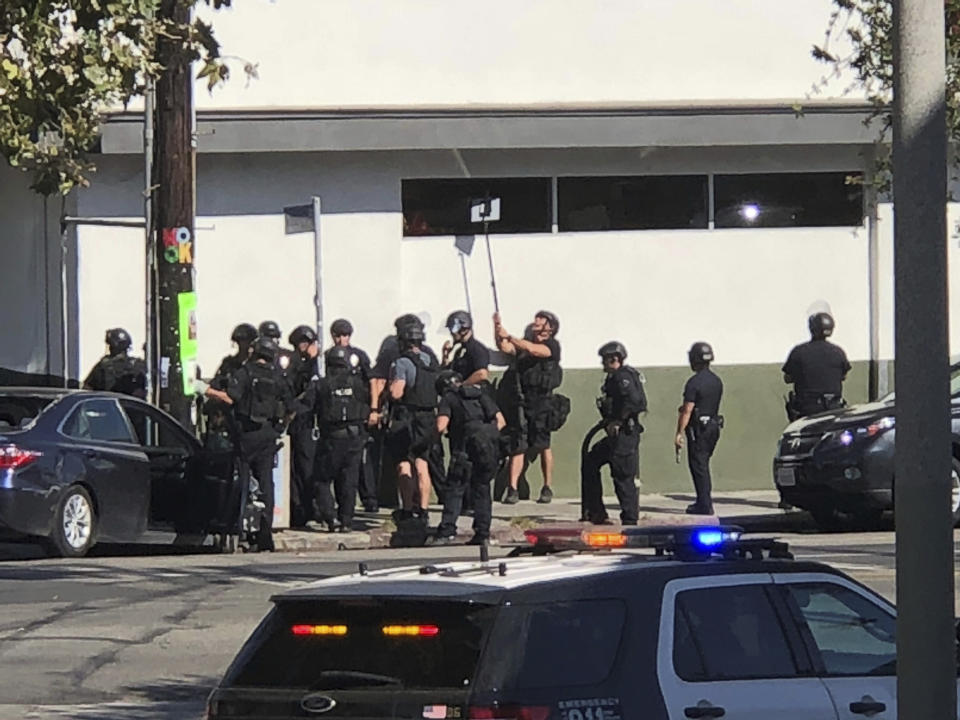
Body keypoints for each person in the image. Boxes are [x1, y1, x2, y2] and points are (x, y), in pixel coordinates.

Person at [199, 336, 294, 551]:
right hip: (268, 436)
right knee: (267, 485)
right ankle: (265, 534)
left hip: (245, 436)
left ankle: (238, 530)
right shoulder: (278, 377)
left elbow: (232, 398)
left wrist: (205, 390)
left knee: (241, 483)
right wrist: (280, 428)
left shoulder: (245, 372)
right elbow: (291, 407)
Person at [493, 310, 563, 504]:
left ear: (550, 326)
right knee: (518, 445)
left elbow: (534, 350)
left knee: (543, 445)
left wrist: (509, 336)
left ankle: (547, 486)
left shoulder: (552, 346)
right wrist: (497, 328)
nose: (536, 321)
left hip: (542, 403)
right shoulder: (523, 345)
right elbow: (505, 347)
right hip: (522, 402)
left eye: (541, 319)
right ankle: (512, 489)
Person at [432, 370, 505, 545]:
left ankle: (446, 532)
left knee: (455, 490)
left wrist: (431, 439)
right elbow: (501, 422)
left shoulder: (449, 398)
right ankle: (483, 533)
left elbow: (441, 426)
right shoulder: (480, 394)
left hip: (463, 449)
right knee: (482, 490)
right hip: (486, 450)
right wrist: (485, 437)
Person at [305, 346, 371, 532]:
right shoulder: (357, 383)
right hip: (355, 437)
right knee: (349, 481)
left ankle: (331, 518)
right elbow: (367, 401)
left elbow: (307, 406)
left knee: (321, 479)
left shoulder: (322, 384)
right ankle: (347, 521)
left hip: (332, 438)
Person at [581, 341, 647, 525]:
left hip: (624, 434)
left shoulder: (623, 377)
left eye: (605, 359)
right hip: (615, 435)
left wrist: (619, 421)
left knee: (623, 476)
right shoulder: (616, 377)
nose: (602, 363)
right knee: (591, 460)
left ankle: (630, 519)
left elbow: (635, 402)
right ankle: (596, 511)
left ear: (614, 359)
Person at [386, 320, 439, 526]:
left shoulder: (402, 363)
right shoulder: (429, 361)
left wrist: (390, 390)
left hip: (407, 417)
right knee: (422, 463)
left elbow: (397, 392)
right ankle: (424, 510)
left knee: (404, 463)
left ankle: (407, 508)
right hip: (428, 418)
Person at [328, 318, 377, 512]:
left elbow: (372, 381)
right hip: (336, 417)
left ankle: (369, 499)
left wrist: (373, 409)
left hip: (358, 414)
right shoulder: (329, 356)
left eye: (345, 335)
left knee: (362, 460)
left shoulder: (359, 356)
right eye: (339, 335)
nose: (342, 340)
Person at [675, 342, 723, 515]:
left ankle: (704, 504)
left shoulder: (693, 383)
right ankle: (704, 501)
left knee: (699, 466)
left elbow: (687, 410)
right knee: (704, 464)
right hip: (714, 427)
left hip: (699, 431)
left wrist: (679, 433)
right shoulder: (716, 381)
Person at [783, 312, 851, 420]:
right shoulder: (838, 352)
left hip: (807, 410)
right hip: (834, 409)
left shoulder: (799, 352)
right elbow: (844, 376)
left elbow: (787, 378)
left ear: (812, 328)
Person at [286, 325, 320, 527]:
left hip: (308, 421)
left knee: (307, 467)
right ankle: (304, 510)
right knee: (304, 468)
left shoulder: (310, 363)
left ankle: (307, 508)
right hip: (302, 421)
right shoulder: (297, 364)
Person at [204, 323, 257, 451]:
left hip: (247, 418)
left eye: (245, 342)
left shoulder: (255, 367)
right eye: (239, 342)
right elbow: (216, 384)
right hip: (228, 415)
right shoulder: (229, 363)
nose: (242, 346)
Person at [83, 328, 147, 398]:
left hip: (109, 405)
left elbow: (87, 389)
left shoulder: (103, 366)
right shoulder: (137, 364)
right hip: (132, 406)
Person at [442, 311, 491, 389]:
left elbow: (482, 374)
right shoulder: (459, 351)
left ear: (463, 329)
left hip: (474, 398)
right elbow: (447, 372)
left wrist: (462, 385)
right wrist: (445, 355)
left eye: (453, 329)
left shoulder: (477, 349)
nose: (451, 333)